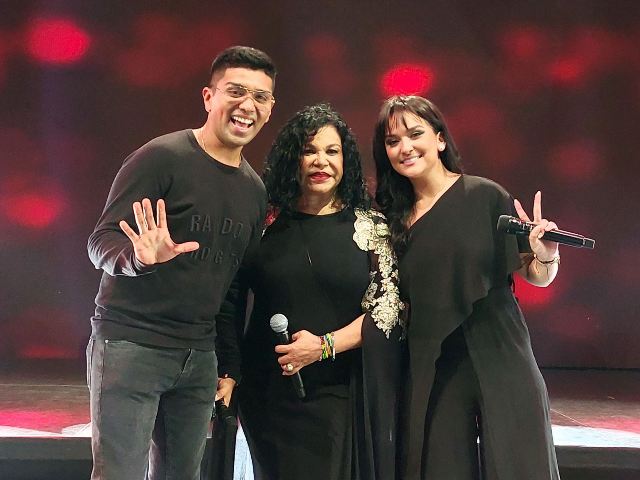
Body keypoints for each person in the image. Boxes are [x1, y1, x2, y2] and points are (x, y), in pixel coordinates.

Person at [86, 46, 276, 480]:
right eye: (236, 91)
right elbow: (100, 241)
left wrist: (228, 364)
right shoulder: (161, 157)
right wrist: (138, 257)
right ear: (209, 97)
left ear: (269, 108)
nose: (247, 105)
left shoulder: (254, 191)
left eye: (260, 97)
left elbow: (231, 288)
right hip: (132, 345)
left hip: (199, 358)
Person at [372, 95, 562, 480]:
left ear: (440, 139)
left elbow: (536, 275)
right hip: (432, 363)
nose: (405, 147)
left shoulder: (484, 196)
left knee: (520, 466)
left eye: (415, 134)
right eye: (393, 141)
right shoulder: (389, 218)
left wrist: (546, 255)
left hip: (499, 350)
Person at [235, 104, 405, 480]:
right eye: (309, 150)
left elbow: (388, 309)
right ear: (292, 159)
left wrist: (323, 346)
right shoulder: (263, 223)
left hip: (340, 392)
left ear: (345, 160)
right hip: (267, 395)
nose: (320, 161)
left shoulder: (371, 227)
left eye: (332, 151)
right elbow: (230, 301)